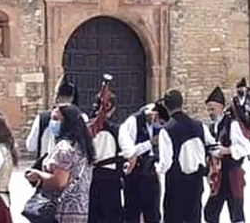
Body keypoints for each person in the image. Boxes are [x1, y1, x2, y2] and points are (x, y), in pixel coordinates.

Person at [156, 89, 218, 223]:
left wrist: (157, 170)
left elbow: (166, 163)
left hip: (176, 184)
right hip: (196, 182)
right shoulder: (199, 126)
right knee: (194, 217)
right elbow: (213, 146)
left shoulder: (166, 131)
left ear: (166, 107)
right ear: (182, 103)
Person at [25, 104, 94, 223]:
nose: (52, 123)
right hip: (79, 210)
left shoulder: (64, 148)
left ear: (67, 122)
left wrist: (38, 174)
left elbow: (59, 182)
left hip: (60, 211)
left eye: (56, 119)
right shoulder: (82, 147)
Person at [203, 86, 250, 223]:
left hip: (232, 173)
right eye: (208, 109)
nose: (210, 112)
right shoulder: (212, 127)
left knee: (236, 212)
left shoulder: (232, 124)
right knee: (210, 212)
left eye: (212, 109)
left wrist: (227, 150)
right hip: (219, 175)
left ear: (221, 108)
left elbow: (246, 147)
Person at [118, 101, 170, 223]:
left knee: (153, 215)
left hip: (151, 175)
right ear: (154, 114)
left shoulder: (155, 127)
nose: (157, 124)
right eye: (157, 120)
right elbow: (129, 152)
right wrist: (150, 143)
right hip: (136, 175)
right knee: (133, 213)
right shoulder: (133, 122)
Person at [25, 73, 86, 160]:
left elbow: (30, 146)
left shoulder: (42, 118)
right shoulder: (82, 118)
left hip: (45, 168)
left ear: (56, 97)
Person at [87, 92, 123, 223]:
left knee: (93, 216)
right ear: (112, 109)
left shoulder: (86, 128)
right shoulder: (118, 130)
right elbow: (126, 153)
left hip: (91, 178)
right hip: (110, 179)